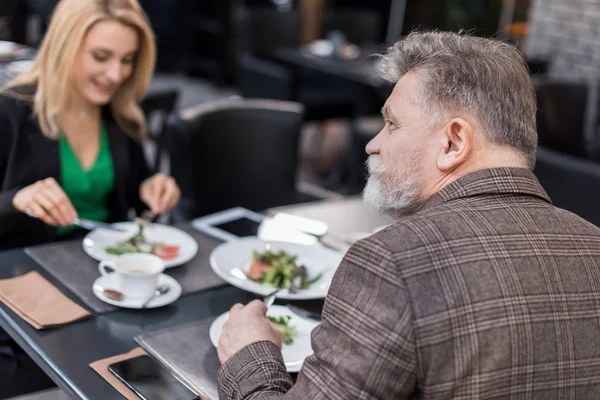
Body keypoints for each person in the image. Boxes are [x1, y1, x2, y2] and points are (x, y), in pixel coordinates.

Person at [216, 32, 600, 399]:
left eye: (391, 123)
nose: (372, 143)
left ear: (453, 142)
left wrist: (251, 354)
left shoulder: (391, 262)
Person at [0, 0, 180, 250]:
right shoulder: (9, 110)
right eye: (101, 57)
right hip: (29, 271)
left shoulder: (120, 112)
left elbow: (135, 197)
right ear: (64, 48)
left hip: (106, 267)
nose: (116, 74)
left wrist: (151, 189)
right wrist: (16, 200)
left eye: (127, 59)